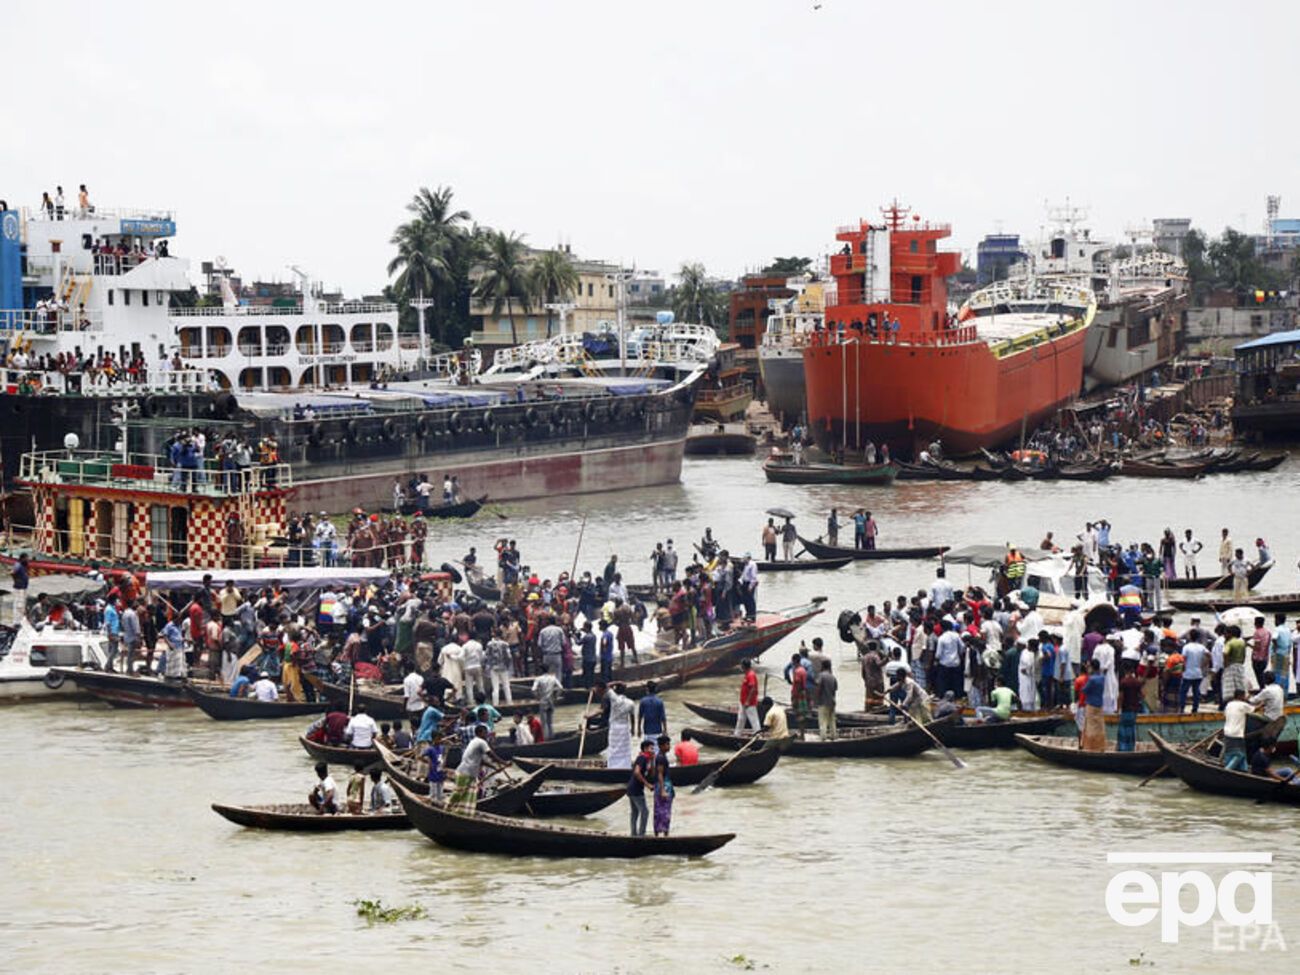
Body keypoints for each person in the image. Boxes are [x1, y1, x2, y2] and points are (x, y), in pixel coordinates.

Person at [448, 725, 503, 812]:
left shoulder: (474, 742)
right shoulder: (481, 742)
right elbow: (491, 755)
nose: (487, 735)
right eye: (486, 733)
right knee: (459, 793)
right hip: (467, 772)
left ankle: (463, 811)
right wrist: (503, 762)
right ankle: (449, 809)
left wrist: (494, 767)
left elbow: (481, 761)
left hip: (469, 773)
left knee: (468, 794)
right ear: (480, 733)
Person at [627, 739, 655, 837]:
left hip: (632, 789)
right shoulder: (642, 758)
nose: (653, 750)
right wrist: (647, 785)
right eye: (651, 748)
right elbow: (637, 772)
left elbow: (650, 774)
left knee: (635, 812)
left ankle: (633, 834)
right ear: (645, 749)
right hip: (635, 789)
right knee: (645, 812)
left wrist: (652, 760)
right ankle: (641, 835)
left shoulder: (646, 759)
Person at [605, 683, 636, 769]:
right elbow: (632, 717)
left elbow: (606, 686)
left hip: (614, 727)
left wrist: (617, 682)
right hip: (624, 727)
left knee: (613, 747)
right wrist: (633, 729)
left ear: (615, 690)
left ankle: (613, 766)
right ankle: (625, 766)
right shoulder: (631, 702)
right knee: (624, 749)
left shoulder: (614, 698)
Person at [1222, 689, 1254, 772]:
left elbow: (1225, 714)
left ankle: (1244, 769)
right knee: (1240, 754)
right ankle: (1227, 770)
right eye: (1244, 696)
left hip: (1227, 732)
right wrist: (1262, 704)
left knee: (1229, 753)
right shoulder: (1242, 705)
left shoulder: (1229, 704)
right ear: (1240, 696)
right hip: (1237, 734)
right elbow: (1254, 709)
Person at [1079, 660, 1107, 752]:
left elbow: (1084, 690)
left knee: (1090, 727)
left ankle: (1090, 747)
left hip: (1091, 704)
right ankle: (1100, 746)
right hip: (1099, 704)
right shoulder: (1102, 678)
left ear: (1092, 667)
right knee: (1099, 726)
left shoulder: (1092, 679)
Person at [1116, 663, 1143, 752]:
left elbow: (1121, 697)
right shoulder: (1137, 682)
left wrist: (1118, 709)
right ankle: (1131, 748)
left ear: (1125, 671)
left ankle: (1123, 749)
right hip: (1134, 710)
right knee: (1131, 728)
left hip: (1126, 709)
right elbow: (1142, 695)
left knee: (1123, 728)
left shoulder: (1123, 682)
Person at [531, 670, 564, 739]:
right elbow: (561, 688)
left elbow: (533, 689)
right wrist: (556, 696)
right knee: (550, 722)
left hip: (543, 702)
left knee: (544, 723)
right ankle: (552, 737)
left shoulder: (538, 679)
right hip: (551, 701)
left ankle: (545, 738)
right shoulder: (553, 678)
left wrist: (537, 697)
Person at [653, 734, 675, 836]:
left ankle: (660, 833)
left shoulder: (661, 756)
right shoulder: (661, 758)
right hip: (663, 785)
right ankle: (663, 833)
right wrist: (662, 790)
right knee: (664, 811)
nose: (669, 746)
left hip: (663, 785)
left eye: (669, 744)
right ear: (661, 746)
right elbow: (660, 774)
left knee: (661, 810)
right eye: (667, 744)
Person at [735, 659, 760, 733]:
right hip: (743, 702)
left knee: (754, 720)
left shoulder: (751, 675)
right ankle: (737, 735)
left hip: (749, 703)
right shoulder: (747, 674)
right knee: (740, 719)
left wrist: (748, 701)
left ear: (744, 666)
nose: (740, 667)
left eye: (741, 665)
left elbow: (753, 688)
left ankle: (757, 734)